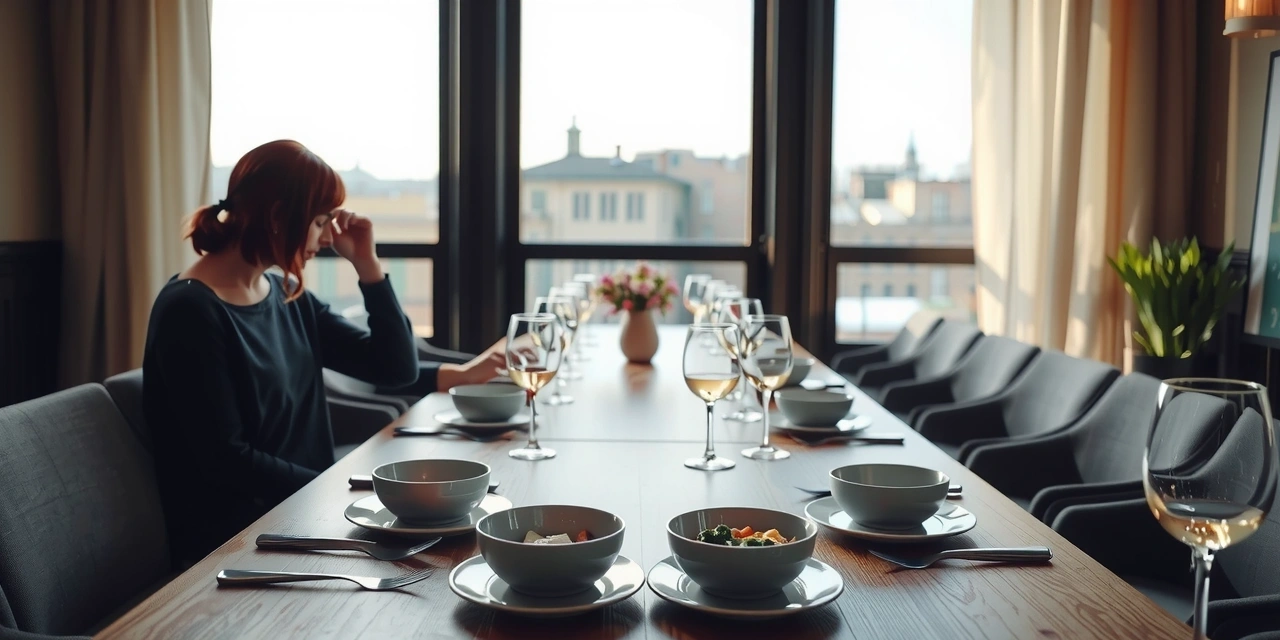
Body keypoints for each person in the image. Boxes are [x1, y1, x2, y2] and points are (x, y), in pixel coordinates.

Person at [142, 140, 503, 563]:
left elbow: (394, 368)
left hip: (303, 516)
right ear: (278, 217)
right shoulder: (189, 311)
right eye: (319, 221)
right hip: (240, 544)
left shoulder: (285, 294)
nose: (328, 236)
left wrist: (368, 267)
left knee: (446, 545)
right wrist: (336, 489)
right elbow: (227, 460)